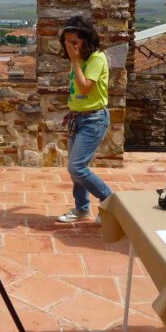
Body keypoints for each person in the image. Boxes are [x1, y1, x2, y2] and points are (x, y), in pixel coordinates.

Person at [56, 16, 113, 223]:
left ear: (86, 39)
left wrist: (74, 61)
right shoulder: (79, 59)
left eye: (75, 42)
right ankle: (81, 209)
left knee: (76, 167)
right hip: (77, 119)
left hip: (93, 119)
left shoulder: (96, 58)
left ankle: (110, 201)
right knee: (76, 169)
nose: (71, 46)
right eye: (67, 42)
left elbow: (85, 87)